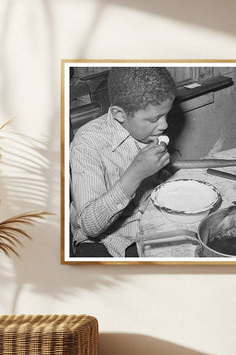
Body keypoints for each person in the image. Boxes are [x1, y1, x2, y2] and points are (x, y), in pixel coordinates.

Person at [69, 67, 176, 257]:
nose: (165, 125)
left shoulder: (147, 131)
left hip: (147, 223)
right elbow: (90, 226)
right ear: (119, 114)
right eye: (155, 118)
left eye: (166, 114)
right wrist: (135, 173)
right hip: (104, 238)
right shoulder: (87, 143)